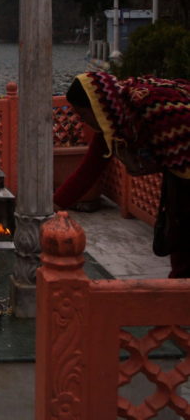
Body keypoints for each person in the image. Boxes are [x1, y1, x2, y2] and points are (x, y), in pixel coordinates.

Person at [54, 70, 190, 278]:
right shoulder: (115, 121)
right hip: (178, 180)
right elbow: (87, 172)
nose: (84, 122)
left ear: (97, 107)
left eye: (84, 115)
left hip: (184, 178)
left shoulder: (157, 112)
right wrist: (50, 209)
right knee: (179, 237)